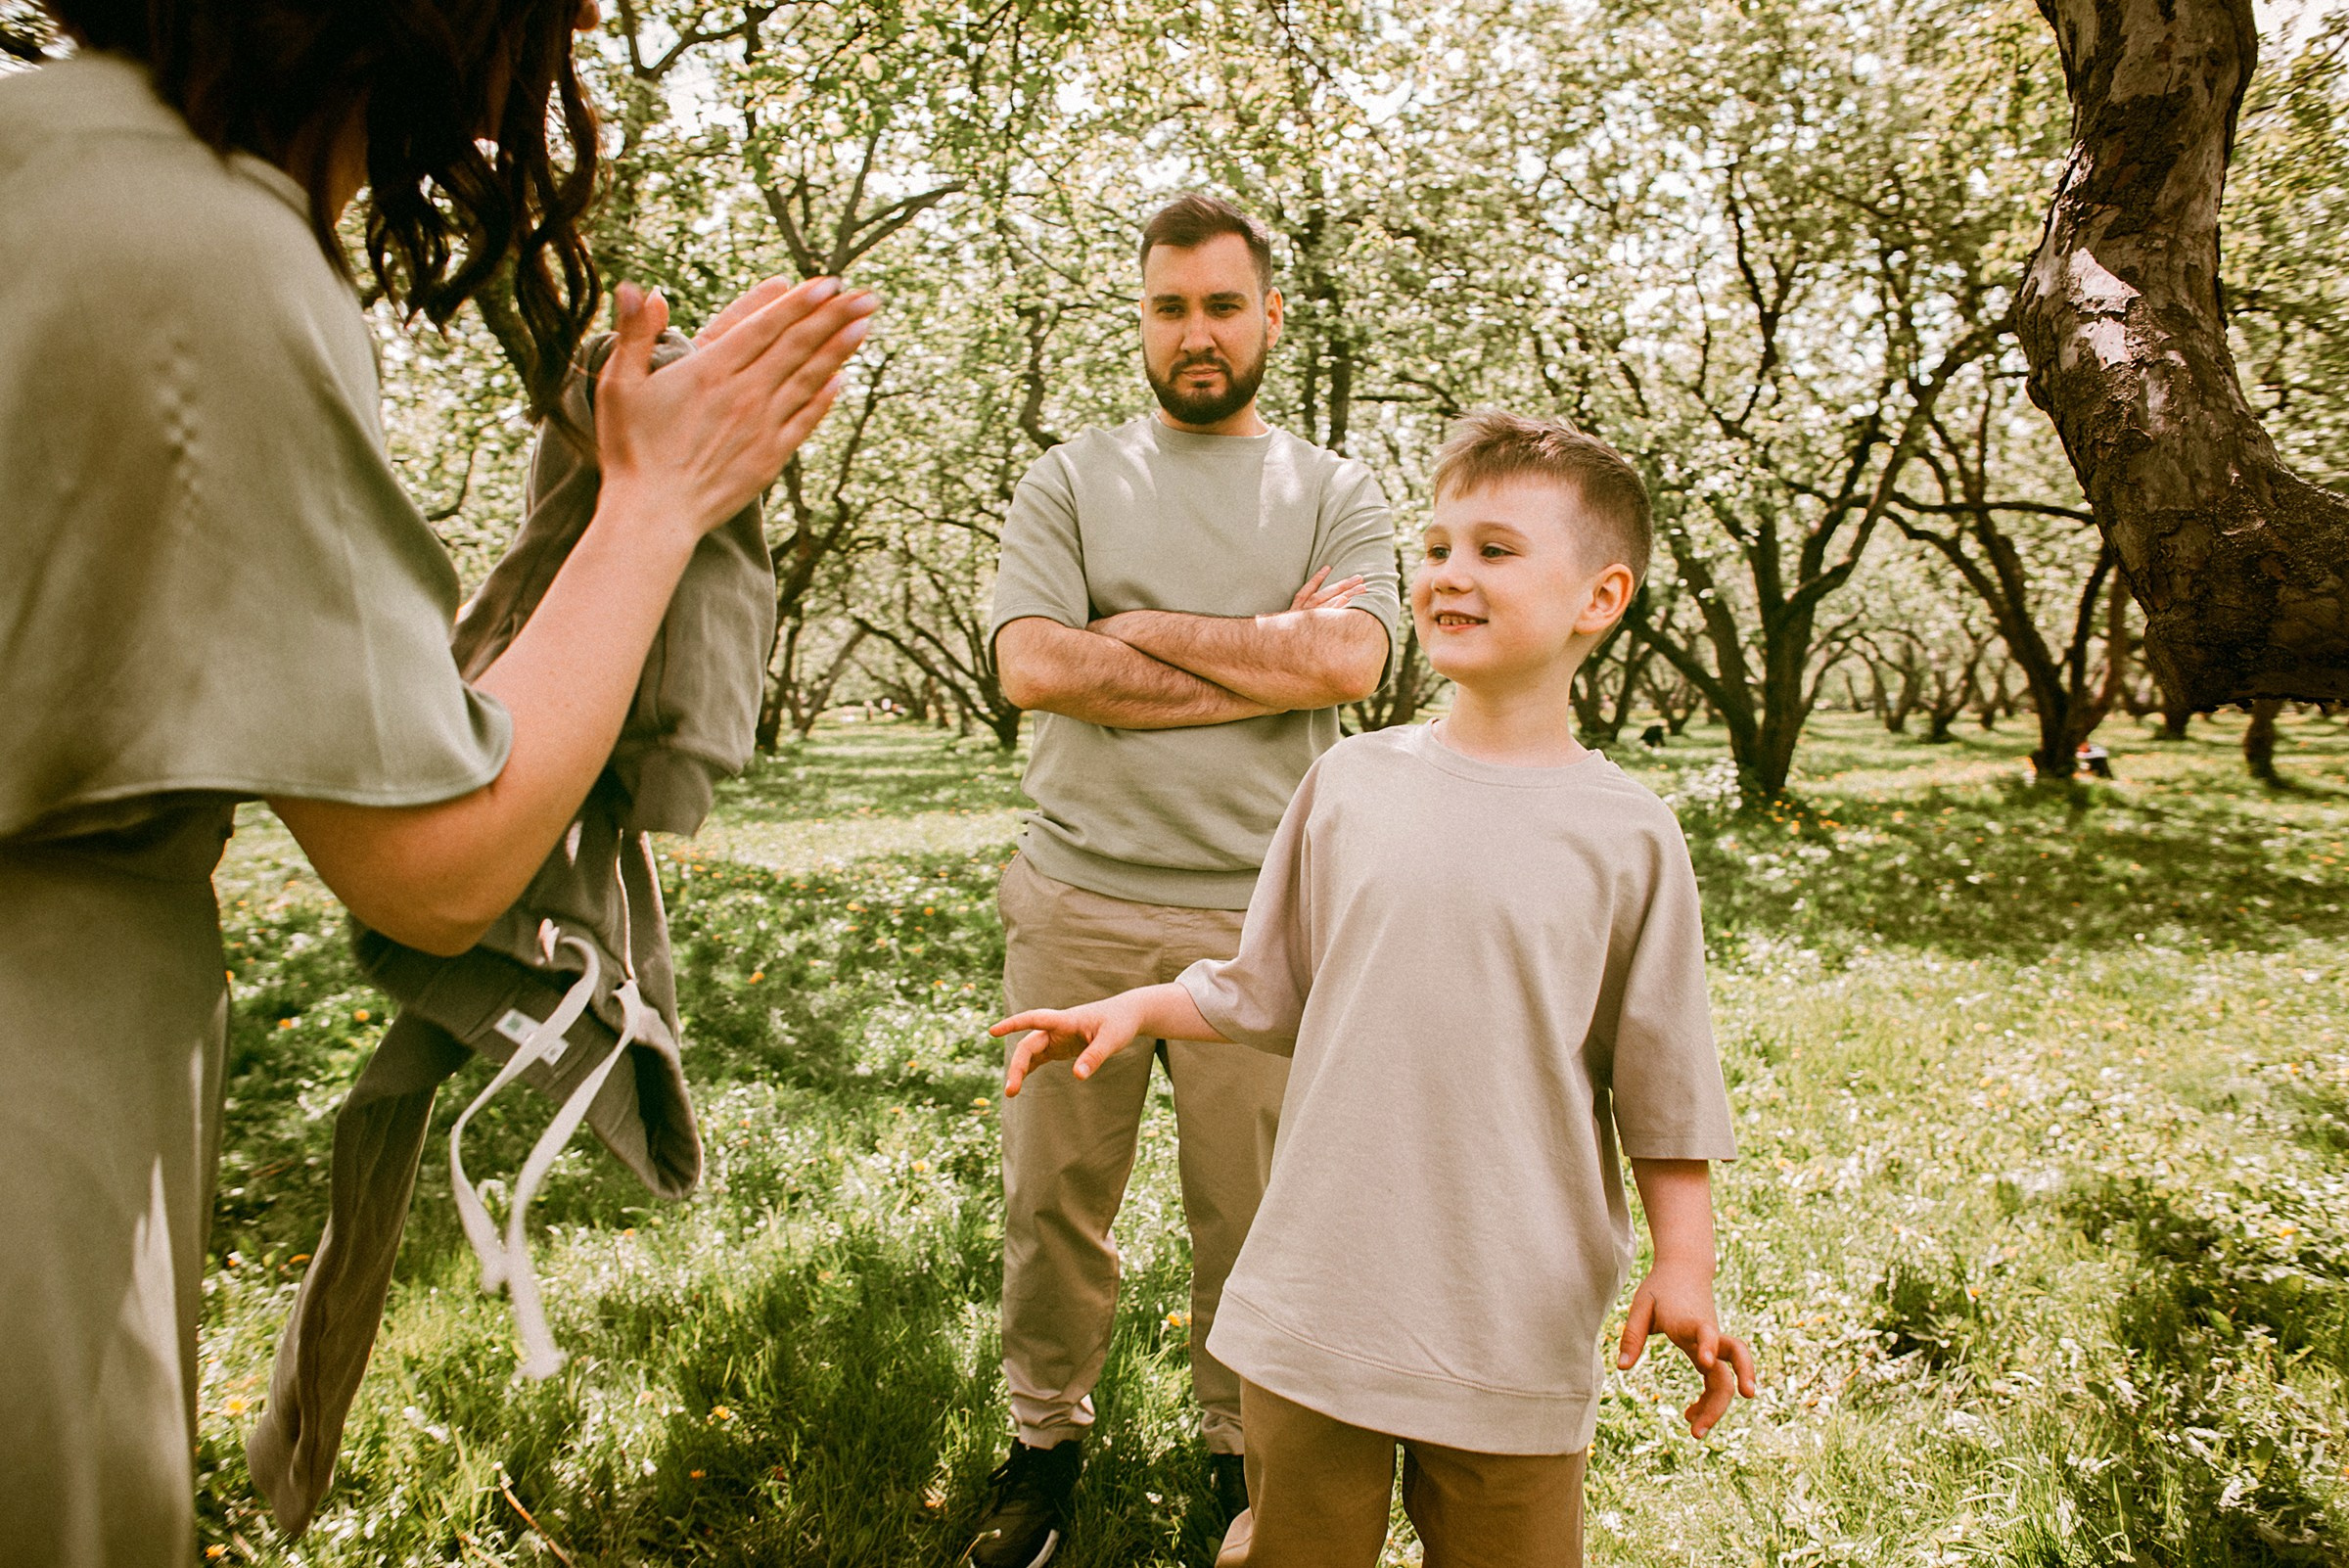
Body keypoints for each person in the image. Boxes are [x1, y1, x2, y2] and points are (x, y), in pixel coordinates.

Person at [0, 6, 876, 1564]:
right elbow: (437, 857)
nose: (591, 13)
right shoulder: (200, 245)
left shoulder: (39, 158)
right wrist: (654, 509)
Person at [994, 412, 1759, 1567]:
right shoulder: (1350, 782)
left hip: (1511, 1310)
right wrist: (1138, 1007)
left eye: (1495, 550)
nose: (1450, 573)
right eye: (1439, 546)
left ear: (1600, 599)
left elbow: (1664, 1082)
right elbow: (1267, 988)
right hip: (1320, 1299)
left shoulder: (1628, 835)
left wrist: (1684, 1263)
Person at [974, 193, 1400, 1564]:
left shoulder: (1335, 489)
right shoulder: (1072, 477)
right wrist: (1252, 650)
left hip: (1264, 918)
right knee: (1051, 1200)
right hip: (1076, 901)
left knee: (1255, 1209)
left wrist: (1136, 628)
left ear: (1271, 316)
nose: (1197, 333)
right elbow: (1034, 664)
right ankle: (1043, 1448)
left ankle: (1243, 1453)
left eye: (1223, 305)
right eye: (1170, 307)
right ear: (1142, 319)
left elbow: (1346, 666)